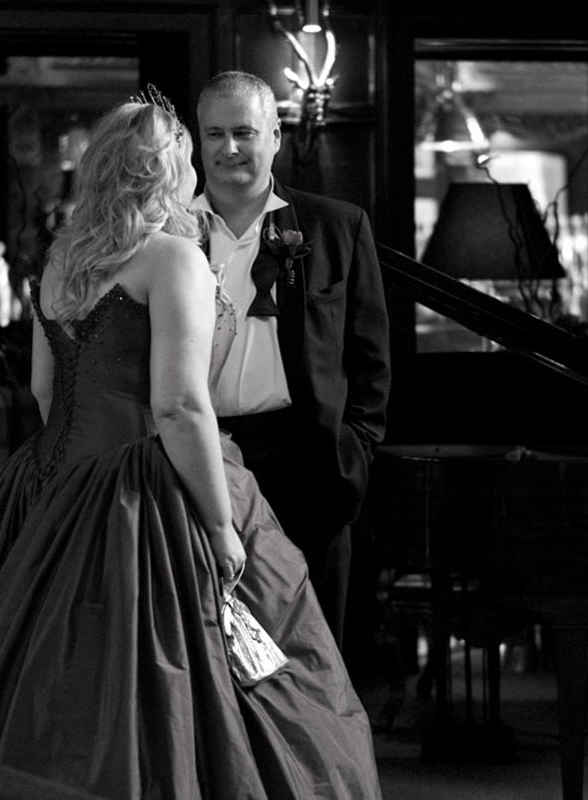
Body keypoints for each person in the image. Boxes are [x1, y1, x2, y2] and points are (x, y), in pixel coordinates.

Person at [0, 90, 382, 800]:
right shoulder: (173, 258)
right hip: (141, 487)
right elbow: (178, 406)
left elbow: (44, 391)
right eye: (188, 155)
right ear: (167, 170)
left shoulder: (62, 260)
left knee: (35, 672)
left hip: (48, 477)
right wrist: (219, 526)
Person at [193, 71, 391, 649]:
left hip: (311, 461)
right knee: (215, 647)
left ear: (276, 136)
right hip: (201, 460)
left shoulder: (336, 226)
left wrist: (354, 448)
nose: (229, 148)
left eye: (244, 132)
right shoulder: (169, 234)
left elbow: (372, 357)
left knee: (315, 648)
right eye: (214, 134)